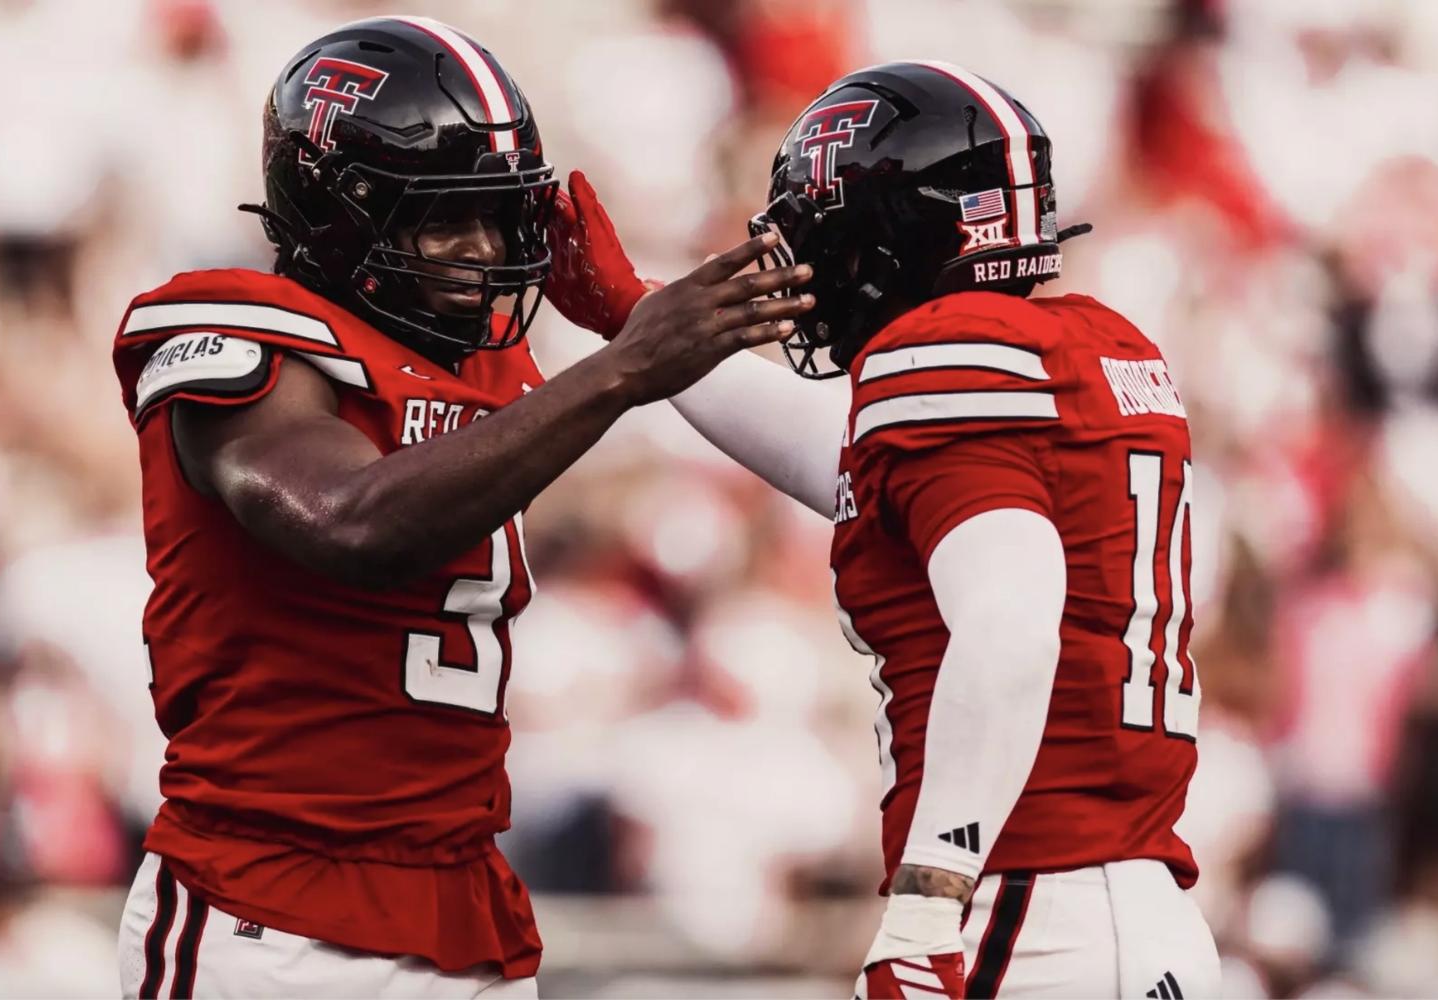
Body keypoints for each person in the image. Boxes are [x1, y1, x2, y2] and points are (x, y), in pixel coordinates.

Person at [108, 16, 812, 999]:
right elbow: (350, 521)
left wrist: (627, 315)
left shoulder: (493, 360)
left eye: (502, 217)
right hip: (267, 902)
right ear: (337, 210)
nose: (483, 253)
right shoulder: (237, 334)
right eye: (447, 218)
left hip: (461, 898)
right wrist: (621, 369)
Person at [549, 61, 1221, 998]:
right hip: (1140, 917)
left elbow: (1010, 624)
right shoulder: (1098, 347)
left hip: (1022, 914)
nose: (818, 272)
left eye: (832, 240)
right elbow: (853, 464)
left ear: (897, 234)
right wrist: (633, 321)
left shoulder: (938, 355)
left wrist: (927, 899)